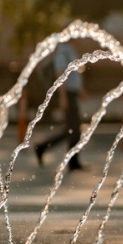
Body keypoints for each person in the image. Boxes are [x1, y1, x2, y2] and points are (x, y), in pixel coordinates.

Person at [34, 39, 86, 171]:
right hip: (67, 94)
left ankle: (42, 147)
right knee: (74, 129)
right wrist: (63, 97)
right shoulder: (63, 50)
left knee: (72, 129)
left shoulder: (69, 50)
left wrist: (79, 90)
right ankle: (72, 162)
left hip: (71, 93)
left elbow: (73, 73)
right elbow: (60, 73)